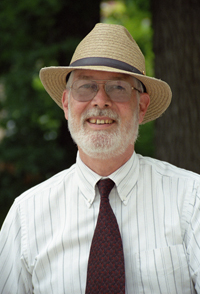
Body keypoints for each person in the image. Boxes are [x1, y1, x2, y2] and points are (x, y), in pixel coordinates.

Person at [0, 23, 200, 294]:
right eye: (86, 87)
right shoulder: (26, 216)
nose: (100, 100)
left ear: (141, 107)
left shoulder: (191, 200)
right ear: (67, 104)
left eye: (118, 87)